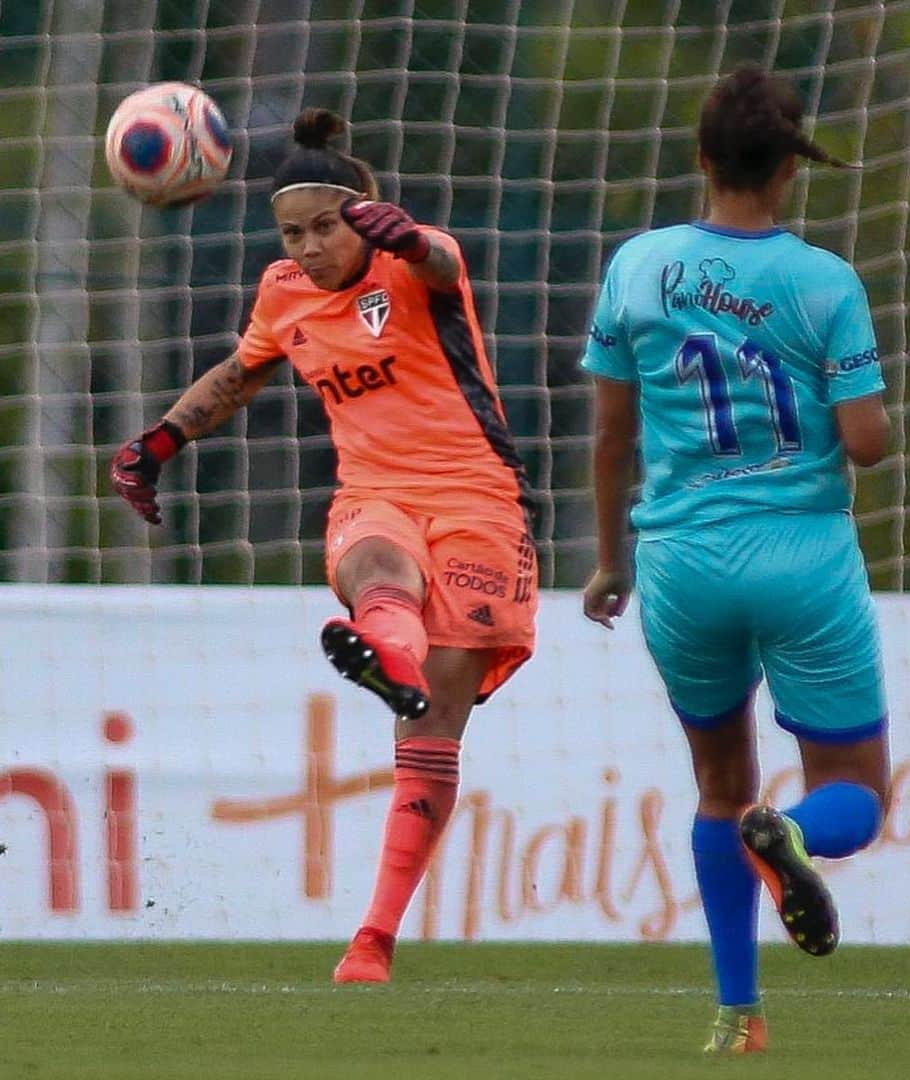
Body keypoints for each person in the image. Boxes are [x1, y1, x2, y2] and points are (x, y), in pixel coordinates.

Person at [111, 108, 538, 984]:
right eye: (291, 232)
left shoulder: (415, 265)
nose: (307, 247)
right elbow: (240, 373)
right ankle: (390, 656)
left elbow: (447, 263)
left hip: (478, 500)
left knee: (437, 727)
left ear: (361, 215)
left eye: (322, 227)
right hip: (374, 493)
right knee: (377, 569)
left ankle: (373, 937)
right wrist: (158, 443)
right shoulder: (283, 292)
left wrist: (408, 237)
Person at [581, 65, 891, 1056]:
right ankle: (797, 834)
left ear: (703, 159)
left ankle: (736, 1014)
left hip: (680, 562)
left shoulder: (636, 269)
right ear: (790, 172)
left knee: (719, 785)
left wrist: (607, 562)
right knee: (855, 786)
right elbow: (868, 440)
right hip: (802, 556)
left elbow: (610, 436)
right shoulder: (824, 282)